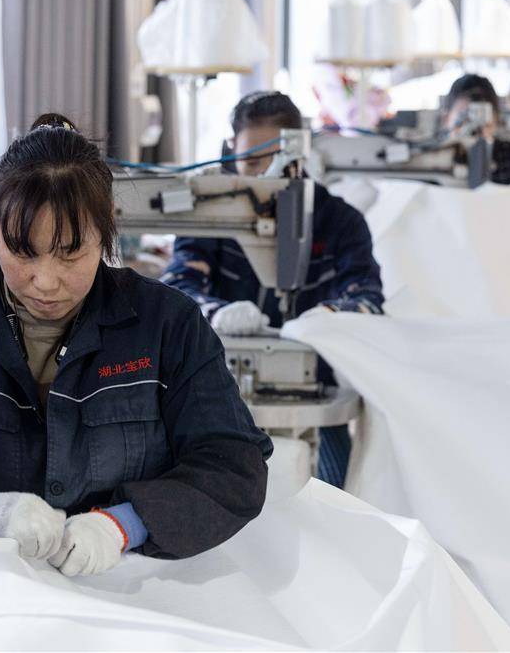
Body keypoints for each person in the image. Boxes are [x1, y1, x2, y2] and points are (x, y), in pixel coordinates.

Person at [0, 114, 272, 576]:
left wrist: (124, 525)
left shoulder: (167, 326)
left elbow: (234, 468)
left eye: (70, 252)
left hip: (126, 595)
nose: (46, 281)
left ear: (106, 230)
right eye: (22, 252)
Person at [162, 92, 384, 488]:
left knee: (334, 491)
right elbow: (179, 286)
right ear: (230, 152)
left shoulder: (340, 222)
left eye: (278, 162)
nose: (265, 176)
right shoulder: (211, 216)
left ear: (301, 155)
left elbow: (367, 297)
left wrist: (324, 319)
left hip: (313, 389)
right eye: (251, 162)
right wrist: (216, 312)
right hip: (216, 386)